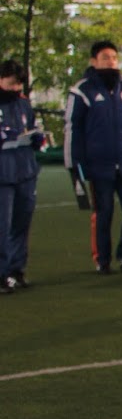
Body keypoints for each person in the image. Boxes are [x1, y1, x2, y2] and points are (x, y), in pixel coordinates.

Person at [65, 40, 122, 274]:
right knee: (104, 214)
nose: (111, 61)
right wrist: (73, 163)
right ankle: (102, 260)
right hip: (98, 165)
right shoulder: (81, 91)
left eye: (114, 57)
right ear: (94, 61)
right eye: (105, 57)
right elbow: (73, 128)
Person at [0, 60, 46, 292]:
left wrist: (37, 138)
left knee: (22, 222)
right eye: (11, 84)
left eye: (19, 84)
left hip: (25, 170)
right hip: (3, 174)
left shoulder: (24, 103)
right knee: (2, 224)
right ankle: (1, 273)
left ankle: (17, 269)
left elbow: (31, 128)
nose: (16, 89)